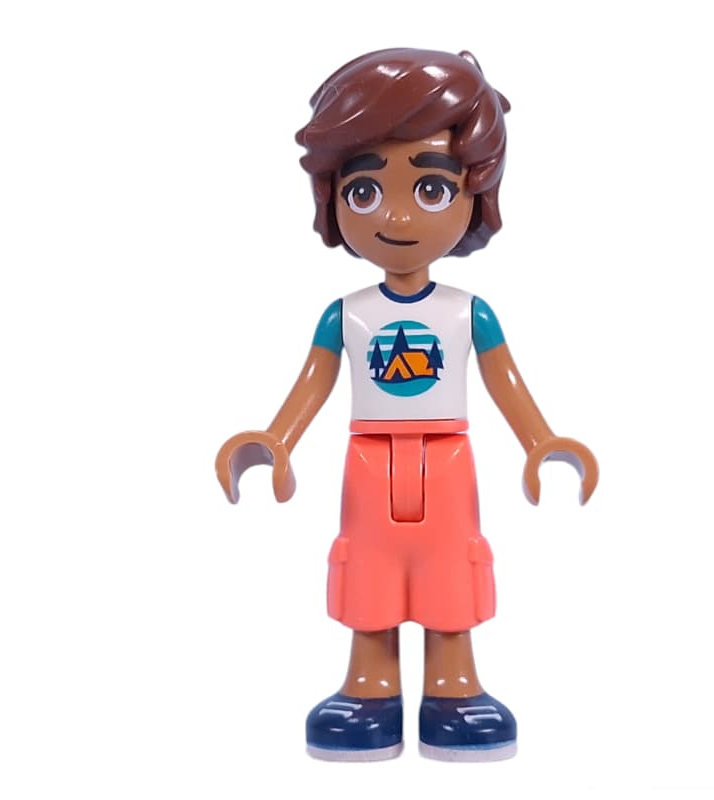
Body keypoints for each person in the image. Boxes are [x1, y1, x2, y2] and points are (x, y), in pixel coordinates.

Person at [216, 47, 598, 762]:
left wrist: (541, 442)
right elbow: (313, 381)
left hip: (448, 459)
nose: (395, 214)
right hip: (368, 461)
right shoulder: (346, 314)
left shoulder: (468, 311)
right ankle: (370, 685)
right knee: (368, 567)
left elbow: (505, 381)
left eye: (431, 188)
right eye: (364, 191)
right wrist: (276, 439)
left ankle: (454, 685)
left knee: (452, 566)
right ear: (332, 198)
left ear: (476, 193)